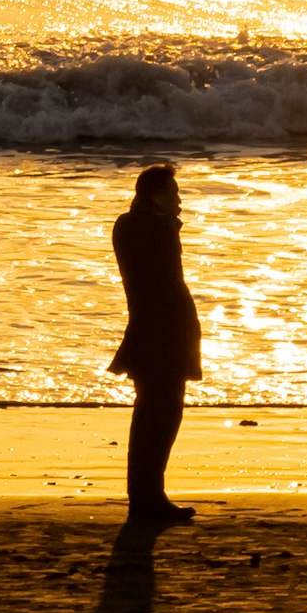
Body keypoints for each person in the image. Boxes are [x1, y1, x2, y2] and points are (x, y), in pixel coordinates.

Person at [106, 163, 203, 524]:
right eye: (173, 193)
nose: (179, 201)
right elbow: (161, 281)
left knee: (153, 413)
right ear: (156, 195)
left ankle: (146, 495)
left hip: (156, 330)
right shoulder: (146, 228)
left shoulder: (134, 225)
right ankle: (148, 497)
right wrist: (168, 222)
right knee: (160, 415)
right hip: (159, 332)